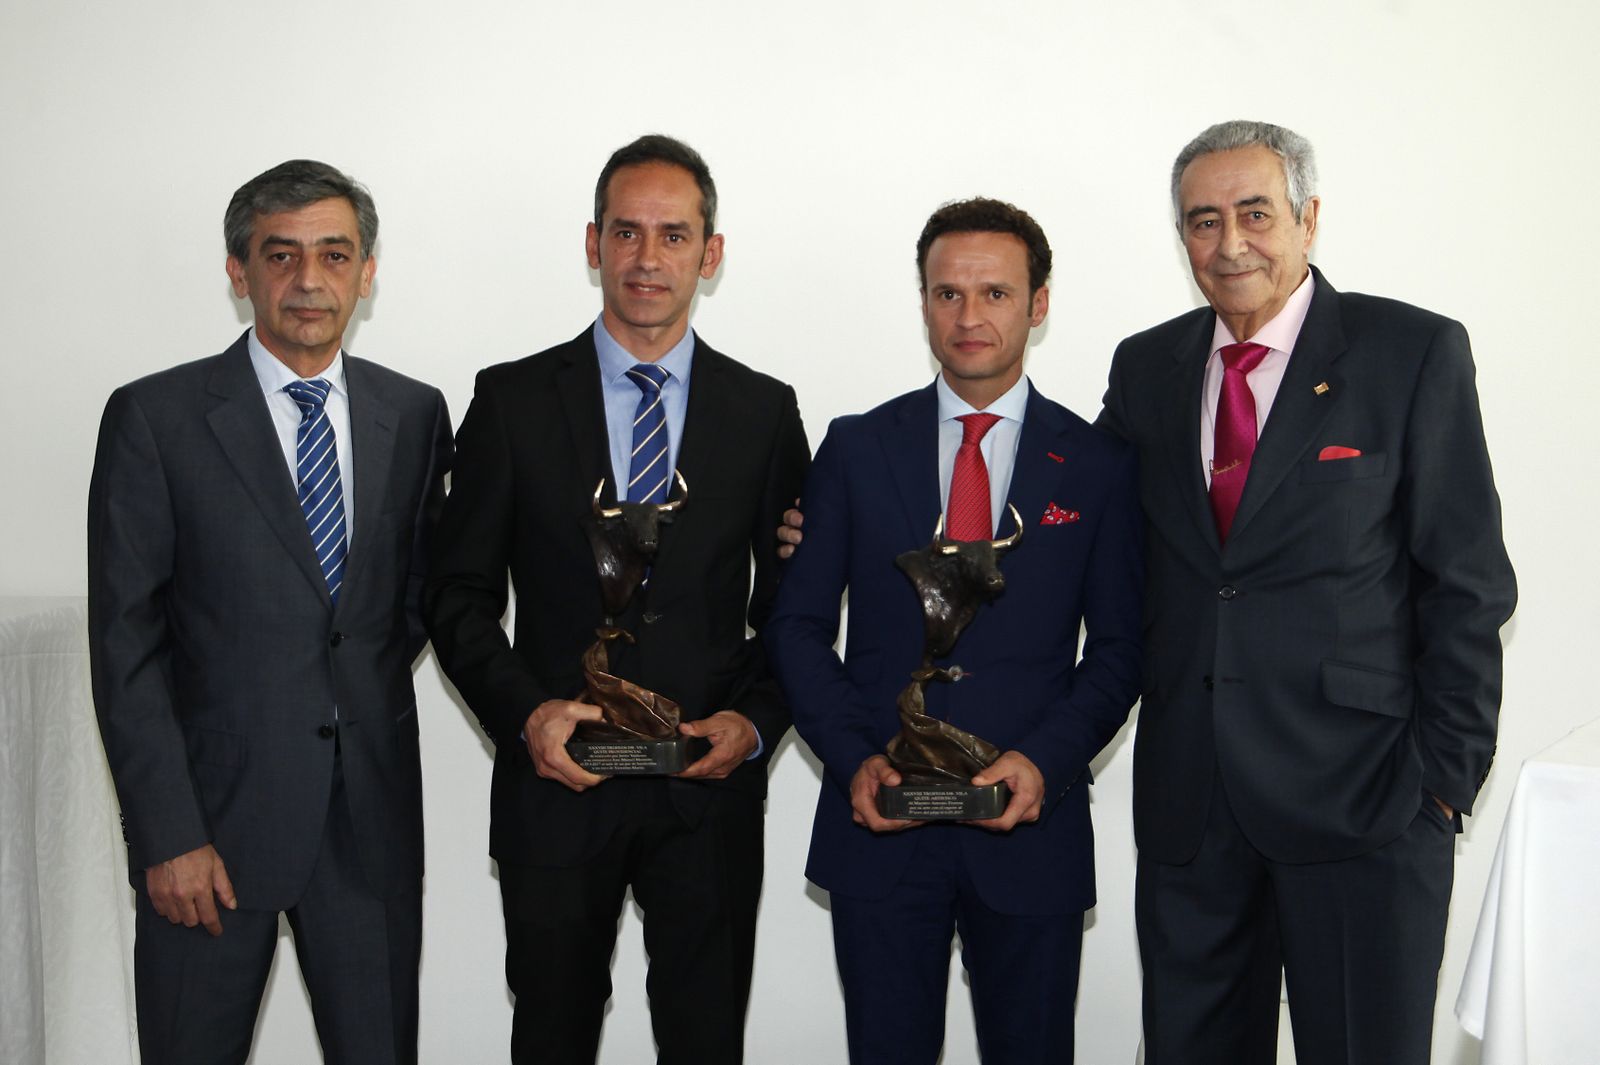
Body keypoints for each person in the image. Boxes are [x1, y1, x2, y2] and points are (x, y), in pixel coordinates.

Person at [1096, 121, 1518, 1064]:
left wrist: (1440, 785)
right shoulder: (1147, 367)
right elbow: (1075, 512)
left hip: (1365, 801)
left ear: (1308, 219)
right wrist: (855, 515)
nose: (1230, 242)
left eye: (1255, 212)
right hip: (1192, 809)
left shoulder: (1410, 352)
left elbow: (1469, 582)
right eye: (1203, 221)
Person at [423, 134, 810, 1065]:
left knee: (705, 1038)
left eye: (673, 235)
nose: (648, 258)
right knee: (550, 1036)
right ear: (591, 243)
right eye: (627, 233)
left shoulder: (764, 412)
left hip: (704, 793)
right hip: (559, 789)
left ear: (709, 254)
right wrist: (527, 719)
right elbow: (458, 595)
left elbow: (793, 606)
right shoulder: (510, 401)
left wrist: (753, 726)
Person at [87, 159, 453, 1064]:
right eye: (280, 255)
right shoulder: (156, 419)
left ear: (368, 272)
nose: (309, 279)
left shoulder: (413, 414)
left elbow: (409, 605)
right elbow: (124, 645)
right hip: (209, 836)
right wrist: (169, 834)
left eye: (335, 254)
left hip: (368, 830)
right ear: (237, 269)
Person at [764, 198, 1143, 1064]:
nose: (969, 317)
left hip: (1030, 830)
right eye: (947, 294)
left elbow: (1121, 649)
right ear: (924, 300)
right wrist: (855, 756)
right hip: (880, 823)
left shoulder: (1098, 464)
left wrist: (1045, 759)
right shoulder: (855, 447)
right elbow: (796, 625)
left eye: (996, 293)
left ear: (1037, 304)